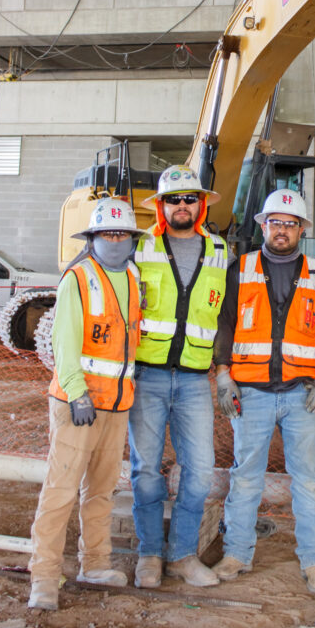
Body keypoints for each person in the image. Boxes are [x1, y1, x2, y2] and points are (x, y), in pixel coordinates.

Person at [212, 188, 315, 594]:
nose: (282, 230)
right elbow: (226, 323)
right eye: (275, 223)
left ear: (301, 229)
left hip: (302, 395)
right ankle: (236, 553)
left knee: (308, 481)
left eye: (290, 224)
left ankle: (314, 561)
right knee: (245, 477)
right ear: (264, 226)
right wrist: (223, 375)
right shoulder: (240, 269)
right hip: (250, 393)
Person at [28, 198, 147, 611]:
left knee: (101, 491)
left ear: (132, 240)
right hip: (78, 404)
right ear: (93, 238)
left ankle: (95, 564)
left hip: (116, 406)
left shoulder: (132, 278)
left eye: (122, 235)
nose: (115, 241)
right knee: (60, 491)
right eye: (107, 234)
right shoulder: (77, 279)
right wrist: (77, 393)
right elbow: (64, 345)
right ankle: (43, 578)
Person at [129, 165, 227, 588]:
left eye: (190, 198)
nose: (182, 205)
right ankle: (150, 554)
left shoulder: (221, 250)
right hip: (147, 375)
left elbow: (225, 317)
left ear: (200, 204)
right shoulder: (139, 247)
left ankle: (182, 555)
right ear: (161, 206)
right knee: (146, 468)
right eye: (174, 199)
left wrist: (223, 370)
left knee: (200, 469)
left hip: (193, 380)